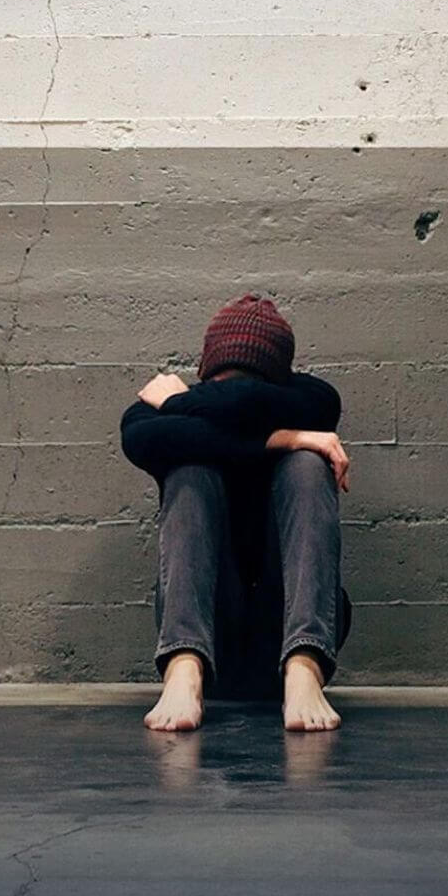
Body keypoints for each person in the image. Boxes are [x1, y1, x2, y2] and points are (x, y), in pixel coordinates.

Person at [120, 294, 353, 733]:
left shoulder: (312, 399)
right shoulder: (151, 417)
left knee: (307, 463)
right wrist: (285, 437)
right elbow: (140, 439)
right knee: (189, 467)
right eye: (221, 381)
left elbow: (246, 402)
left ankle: (305, 667)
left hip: (285, 629)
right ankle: (182, 668)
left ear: (279, 385)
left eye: (250, 380)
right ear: (207, 374)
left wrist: (181, 402)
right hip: (210, 635)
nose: (233, 390)